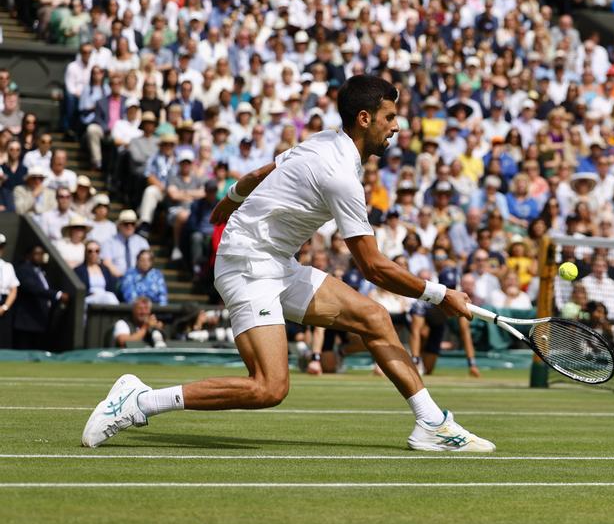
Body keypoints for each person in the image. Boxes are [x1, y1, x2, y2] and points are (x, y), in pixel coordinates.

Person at [82, 75, 494, 452]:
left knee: (373, 316)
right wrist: (440, 295)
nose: (396, 126)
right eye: (389, 117)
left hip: (275, 261)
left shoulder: (323, 140)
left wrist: (230, 198)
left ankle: (432, 423)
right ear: (365, 118)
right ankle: (139, 401)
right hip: (247, 263)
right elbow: (373, 267)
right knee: (269, 387)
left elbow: (266, 170)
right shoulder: (341, 176)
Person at [11, 244, 69, 350]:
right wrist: (57, 295)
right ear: (28, 255)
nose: (40, 256)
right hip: (27, 321)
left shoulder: (41, 271)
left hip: (40, 319)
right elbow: (33, 288)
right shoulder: (23, 269)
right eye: (37, 253)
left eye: (42, 254)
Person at [75, 239, 120, 306]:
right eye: (90, 251)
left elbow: (111, 288)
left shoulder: (105, 270)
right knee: (109, 296)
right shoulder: (79, 270)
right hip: (88, 299)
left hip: (105, 298)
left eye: (97, 251)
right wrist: (90, 294)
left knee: (109, 296)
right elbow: (78, 289)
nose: (94, 253)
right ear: (85, 253)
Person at [0, 234, 19, 348]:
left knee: (4, 338)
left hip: (4, 305)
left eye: (1, 247)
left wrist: (4, 307)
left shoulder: (8, 266)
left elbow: (13, 290)